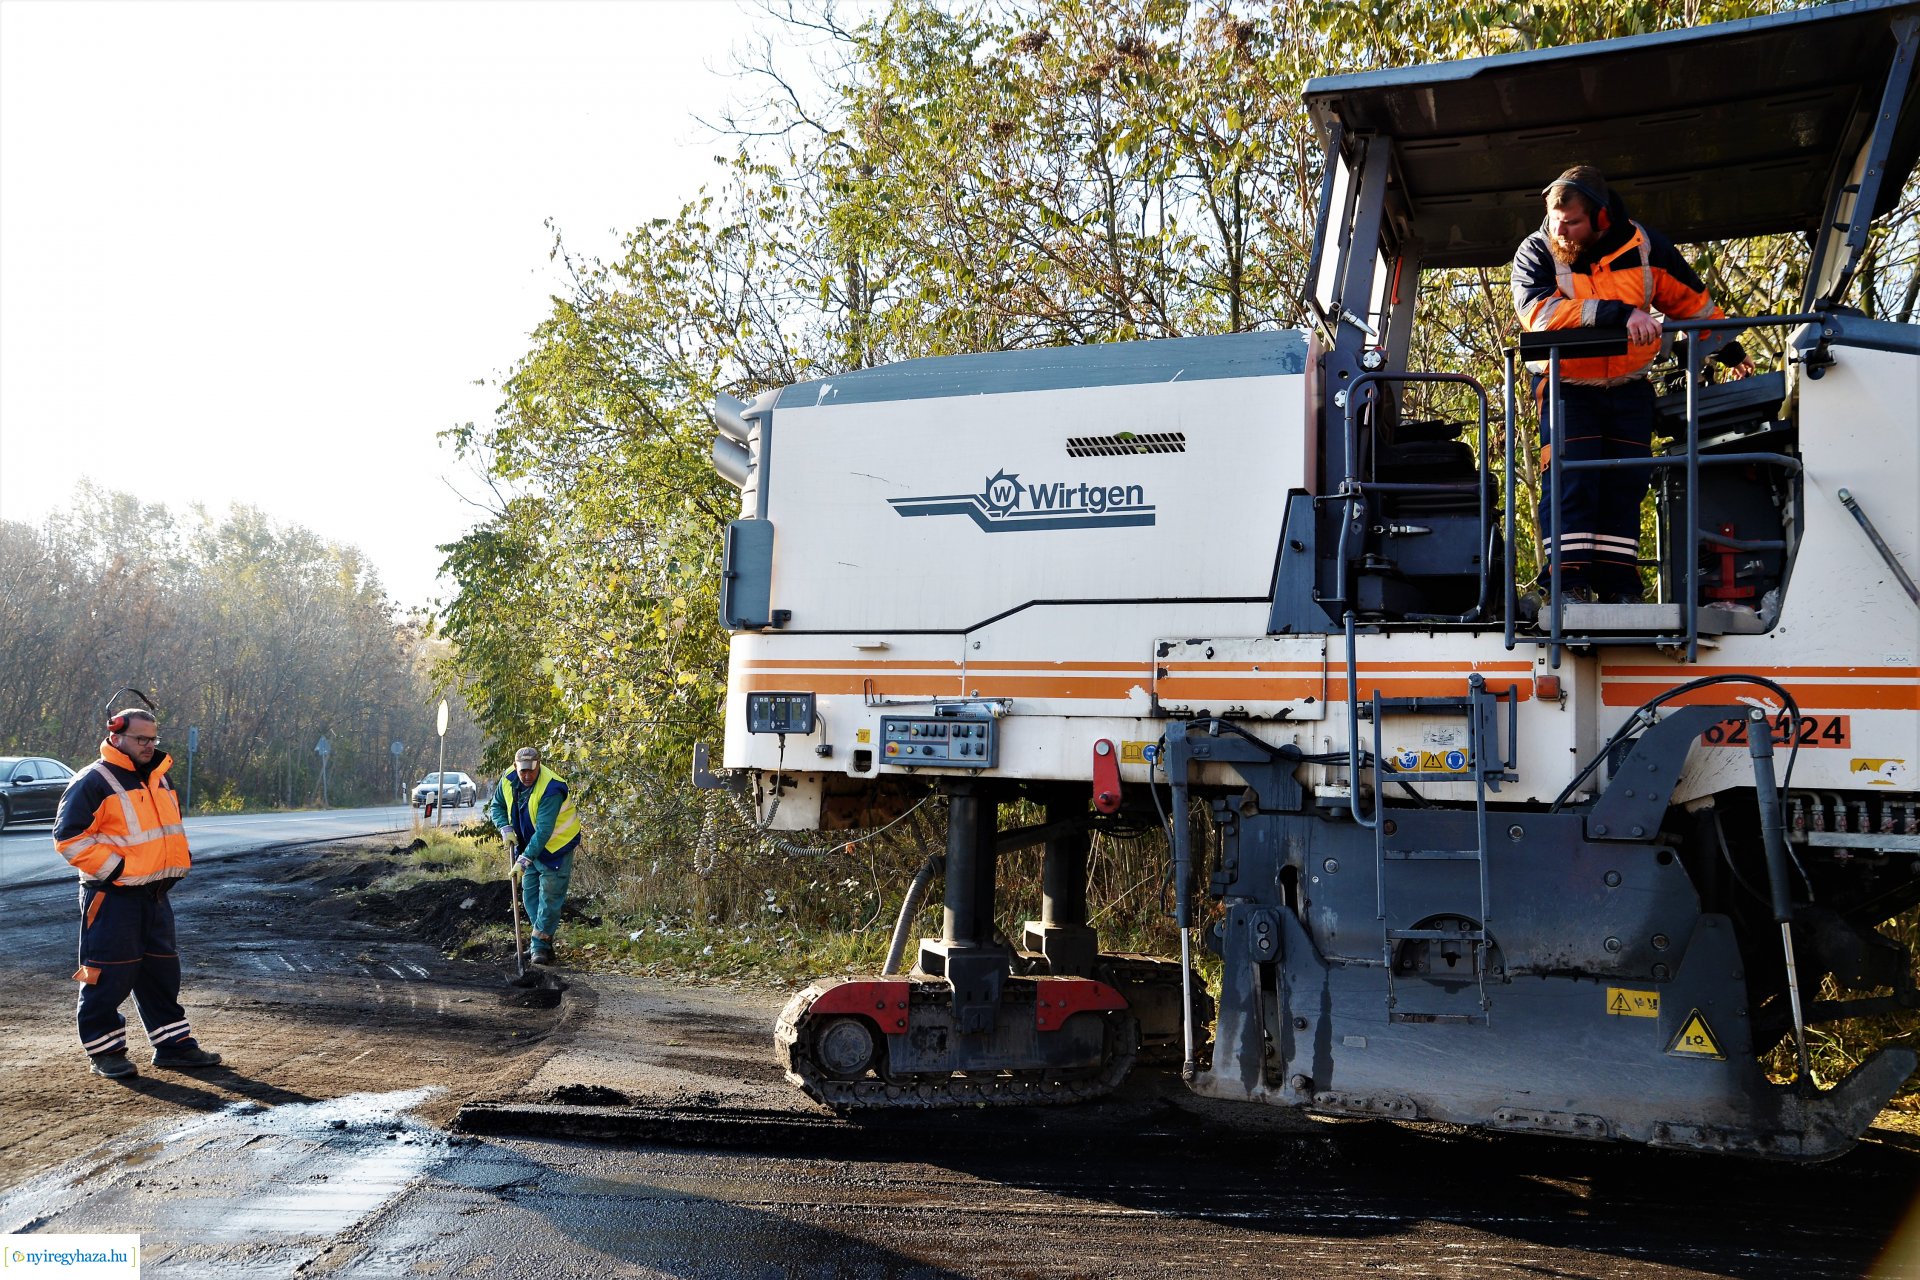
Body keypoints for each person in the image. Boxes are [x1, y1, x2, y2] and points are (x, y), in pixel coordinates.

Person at [1513, 165, 1754, 604]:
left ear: (1602, 218)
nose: (1559, 229)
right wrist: (1619, 314)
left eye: (1571, 221)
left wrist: (1729, 349)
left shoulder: (1646, 247)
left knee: (1626, 485)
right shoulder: (1536, 252)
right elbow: (1538, 316)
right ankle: (1567, 588)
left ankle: (1620, 587)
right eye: (1553, 218)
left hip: (1630, 389)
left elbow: (1692, 305)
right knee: (1572, 483)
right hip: (1567, 387)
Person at [53, 709, 222, 1079]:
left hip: (156, 895)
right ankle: (105, 1051)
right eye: (141, 739)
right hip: (112, 898)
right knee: (105, 975)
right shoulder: (93, 781)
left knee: (162, 974)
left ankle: (174, 1046)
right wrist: (118, 871)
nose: (149, 746)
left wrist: (177, 861)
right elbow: (68, 838)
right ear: (116, 736)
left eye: (153, 739)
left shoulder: (160, 778)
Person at [487, 746, 583, 965]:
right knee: (530, 897)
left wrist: (523, 860)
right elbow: (497, 806)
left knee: (549, 898)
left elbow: (544, 832)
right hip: (529, 846)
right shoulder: (509, 779)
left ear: (539, 765)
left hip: (556, 847)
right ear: (515, 767)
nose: (527, 776)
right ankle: (542, 943)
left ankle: (538, 946)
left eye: (531, 770)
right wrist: (505, 828)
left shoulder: (551, 788)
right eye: (523, 771)